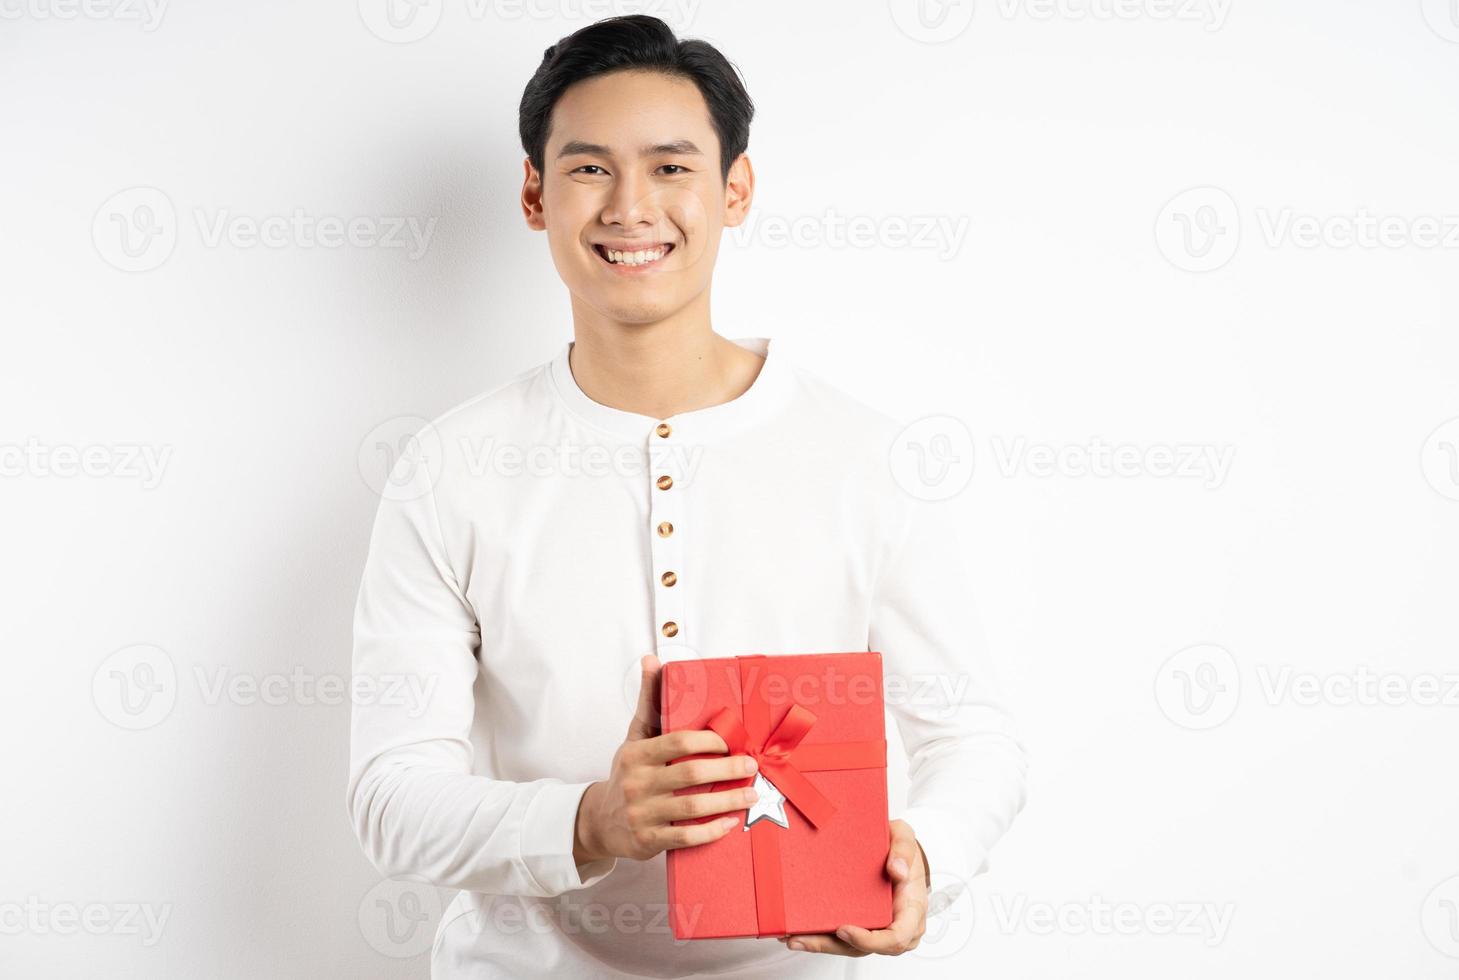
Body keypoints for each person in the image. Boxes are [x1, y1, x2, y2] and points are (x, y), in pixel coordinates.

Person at [347, 14, 1026, 978]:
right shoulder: (447, 467)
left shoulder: (868, 457)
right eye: (589, 169)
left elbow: (973, 738)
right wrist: (591, 819)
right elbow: (389, 795)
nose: (631, 206)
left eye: (671, 167)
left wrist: (928, 856)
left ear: (734, 189)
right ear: (535, 195)